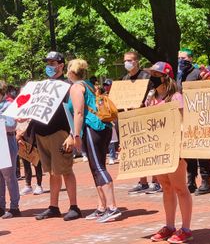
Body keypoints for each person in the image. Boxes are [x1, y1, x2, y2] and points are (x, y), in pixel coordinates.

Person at [28, 51, 81, 221]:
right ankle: (53, 207)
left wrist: (72, 134)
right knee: (52, 172)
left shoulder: (67, 86)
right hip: (42, 133)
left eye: (52, 63)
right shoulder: (42, 86)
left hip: (60, 133)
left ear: (61, 65)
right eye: (48, 62)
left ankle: (74, 207)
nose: (49, 66)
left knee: (65, 170)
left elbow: (75, 110)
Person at [143, 61, 193, 244]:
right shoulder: (151, 98)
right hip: (158, 148)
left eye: (156, 75)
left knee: (180, 187)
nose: (152, 78)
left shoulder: (176, 97)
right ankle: (169, 225)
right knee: (165, 186)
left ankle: (186, 228)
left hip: (174, 148)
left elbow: (182, 121)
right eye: (151, 75)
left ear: (166, 76)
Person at [67, 59, 121, 222]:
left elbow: (79, 113)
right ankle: (101, 207)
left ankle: (112, 207)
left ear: (71, 71)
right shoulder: (90, 85)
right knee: (96, 167)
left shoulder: (76, 87)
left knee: (98, 167)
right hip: (102, 127)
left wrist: (75, 135)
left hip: (92, 128)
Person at [123, 51, 160, 194]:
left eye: (130, 60)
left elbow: (155, 92)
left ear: (136, 61)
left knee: (152, 148)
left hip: (147, 116)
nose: (128, 63)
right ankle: (142, 181)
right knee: (139, 151)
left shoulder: (147, 77)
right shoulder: (125, 79)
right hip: (133, 119)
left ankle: (155, 181)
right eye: (125, 60)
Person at [177, 48, 210, 195]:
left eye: (183, 58)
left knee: (201, 150)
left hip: (199, 117)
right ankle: (191, 180)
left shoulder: (198, 73)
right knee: (188, 151)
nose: (181, 61)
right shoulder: (179, 76)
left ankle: (206, 180)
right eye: (179, 58)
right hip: (185, 117)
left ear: (191, 59)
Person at [0, 80, 21, 219]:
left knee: (9, 176)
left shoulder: (8, 106)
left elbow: (11, 124)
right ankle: (1, 206)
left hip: (7, 141)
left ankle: (14, 207)